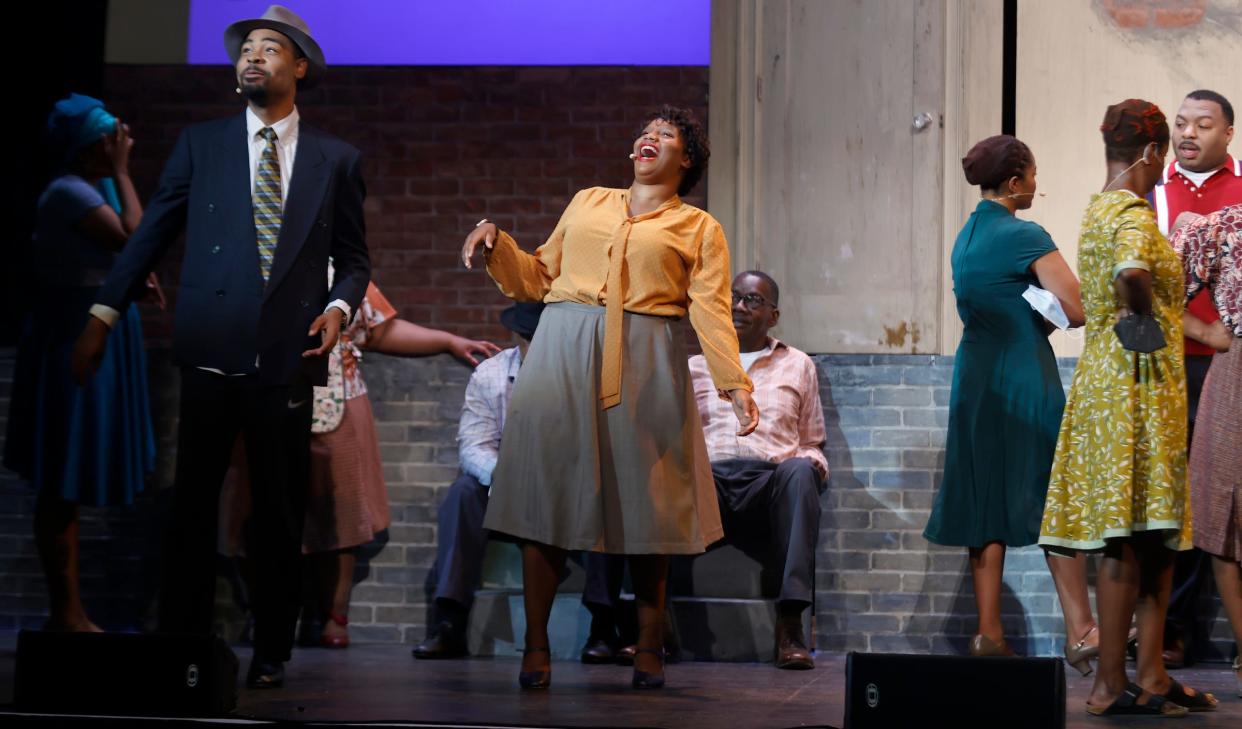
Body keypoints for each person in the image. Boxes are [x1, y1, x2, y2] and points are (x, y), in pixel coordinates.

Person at [70, 6, 370, 689]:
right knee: (193, 503)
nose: (253, 57)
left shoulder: (336, 160)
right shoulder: (201, 145)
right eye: (246, 49)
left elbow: (354, 258)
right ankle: (182, 638)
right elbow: (150, 236)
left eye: (270, 48)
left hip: (288, 354)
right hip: (210, 347)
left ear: (299, 66)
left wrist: (337, 306)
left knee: (279, 507)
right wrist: (102, 312)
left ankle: (271, 647)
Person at [461, 105, 759, 690]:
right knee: (543, 496)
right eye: (644, 132)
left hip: (646, 359)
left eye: (665, 135)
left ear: (686, 158)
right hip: (562, 350)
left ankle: (648, 645)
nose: (649, 137)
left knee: (648, 500)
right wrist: (497, 244)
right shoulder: (587, 201)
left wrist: (735, 385)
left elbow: (710, 310)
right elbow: (539, 277)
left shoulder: (698, 227)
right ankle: (536, 646)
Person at [1038, 99, 1215, 717]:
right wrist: (1143, 323)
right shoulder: (1135, 213)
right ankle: (1111, 684)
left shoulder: (1099, 206)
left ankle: (1152, 673)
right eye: (1162, 154)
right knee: (1126, 538)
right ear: (1151, 153)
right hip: (1134, 392)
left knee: (1156, 537)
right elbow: (1132, 273)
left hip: (1119, 389)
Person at [220, 279, 499, 649]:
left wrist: (447, 341)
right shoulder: (258, 263)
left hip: (339, 394)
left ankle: (333, 613)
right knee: (257, 504)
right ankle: (265, 610)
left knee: (344, 511)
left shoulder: (344, 272)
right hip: (265, 389)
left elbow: (380, 329)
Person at [922, 135, 1089, 663]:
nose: (1037, 185)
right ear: (1015, 182)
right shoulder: (1023, 235)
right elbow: (1077, 306)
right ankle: (1082, 629)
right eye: (1033, 176)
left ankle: (988, 633)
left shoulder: (966, 236)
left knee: (984, 499)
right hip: (1021, 374)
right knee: (1049, 493)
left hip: (975, 377)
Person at [3, 94, 159, 632]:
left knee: (73, 471)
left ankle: (70, 610)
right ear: (90, 146)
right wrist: (123, 172)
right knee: (60, 473)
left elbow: (133, 255)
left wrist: (133, 278)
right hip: (72, 335)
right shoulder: (70, 192)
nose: (122, 144)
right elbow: (138, 243)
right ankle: (64, 610)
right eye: (111, 140)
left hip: (102, 329)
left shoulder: (97, 187)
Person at [413, 302, 627, 662]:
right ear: (518, 338)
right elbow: (474, 447)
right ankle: (449, 621)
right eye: (532, 340)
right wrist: (510, 476)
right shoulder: (490, 375)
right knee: (463, 494)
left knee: (604, 496)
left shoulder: (587, 375)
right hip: (507, 488)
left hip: (569, 491)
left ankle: (604, 626)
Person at [687, 270, 827, 670]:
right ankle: (652, 625)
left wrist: (807, 468)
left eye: (751, 300)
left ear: (774, 315)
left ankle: (790, 624)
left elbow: (812, 440)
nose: (738, 307)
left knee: (801, 470)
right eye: (733, 298)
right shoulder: (697, 365)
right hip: (709, 479)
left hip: (768, 481)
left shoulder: (797, 364)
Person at [1153, 89, 1240, 669]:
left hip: (1229, 366)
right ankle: (1172, 630)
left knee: (1224, 500)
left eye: (1203, 124)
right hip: (1173, 361)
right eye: (1181, 123)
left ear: (1227, 133)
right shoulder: (1154, 196)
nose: (1189, 133)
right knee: (1180, 496)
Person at [1170, 204, 1242, 697]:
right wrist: (1204, 332)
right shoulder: (1222, 226)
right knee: (1222, 509)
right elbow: (1158, 298)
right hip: (1235, 375)